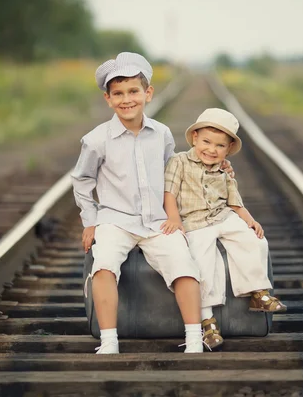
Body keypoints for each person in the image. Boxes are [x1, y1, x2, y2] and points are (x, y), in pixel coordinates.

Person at [70, 53, 233, 354]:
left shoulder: (162, 134)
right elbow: (82, 180)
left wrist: (217, 168)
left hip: (158, 220)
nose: (126, 100)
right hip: (114, 220)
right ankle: (109, 341)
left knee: (184, 265)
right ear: (108, 99)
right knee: (103, 264)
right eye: (118, 94)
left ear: (148, 93)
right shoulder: (96, 140)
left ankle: (195, 338)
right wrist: (90, 220)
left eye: (133, 91)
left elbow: (176, 170)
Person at [162, 108, 288, 350]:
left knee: (254, 240)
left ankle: (257, 292)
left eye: (220, 146)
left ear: (228, 149)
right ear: (195, 137)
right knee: (202, 262)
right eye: (207, 142)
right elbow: (170, 191)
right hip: (194, 221)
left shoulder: (224, 169)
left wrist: (249, 219)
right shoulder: (179, 161)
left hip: (222, 216)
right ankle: (207, 321)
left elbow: (234, 199)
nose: (212, 150)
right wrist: (174, 218)